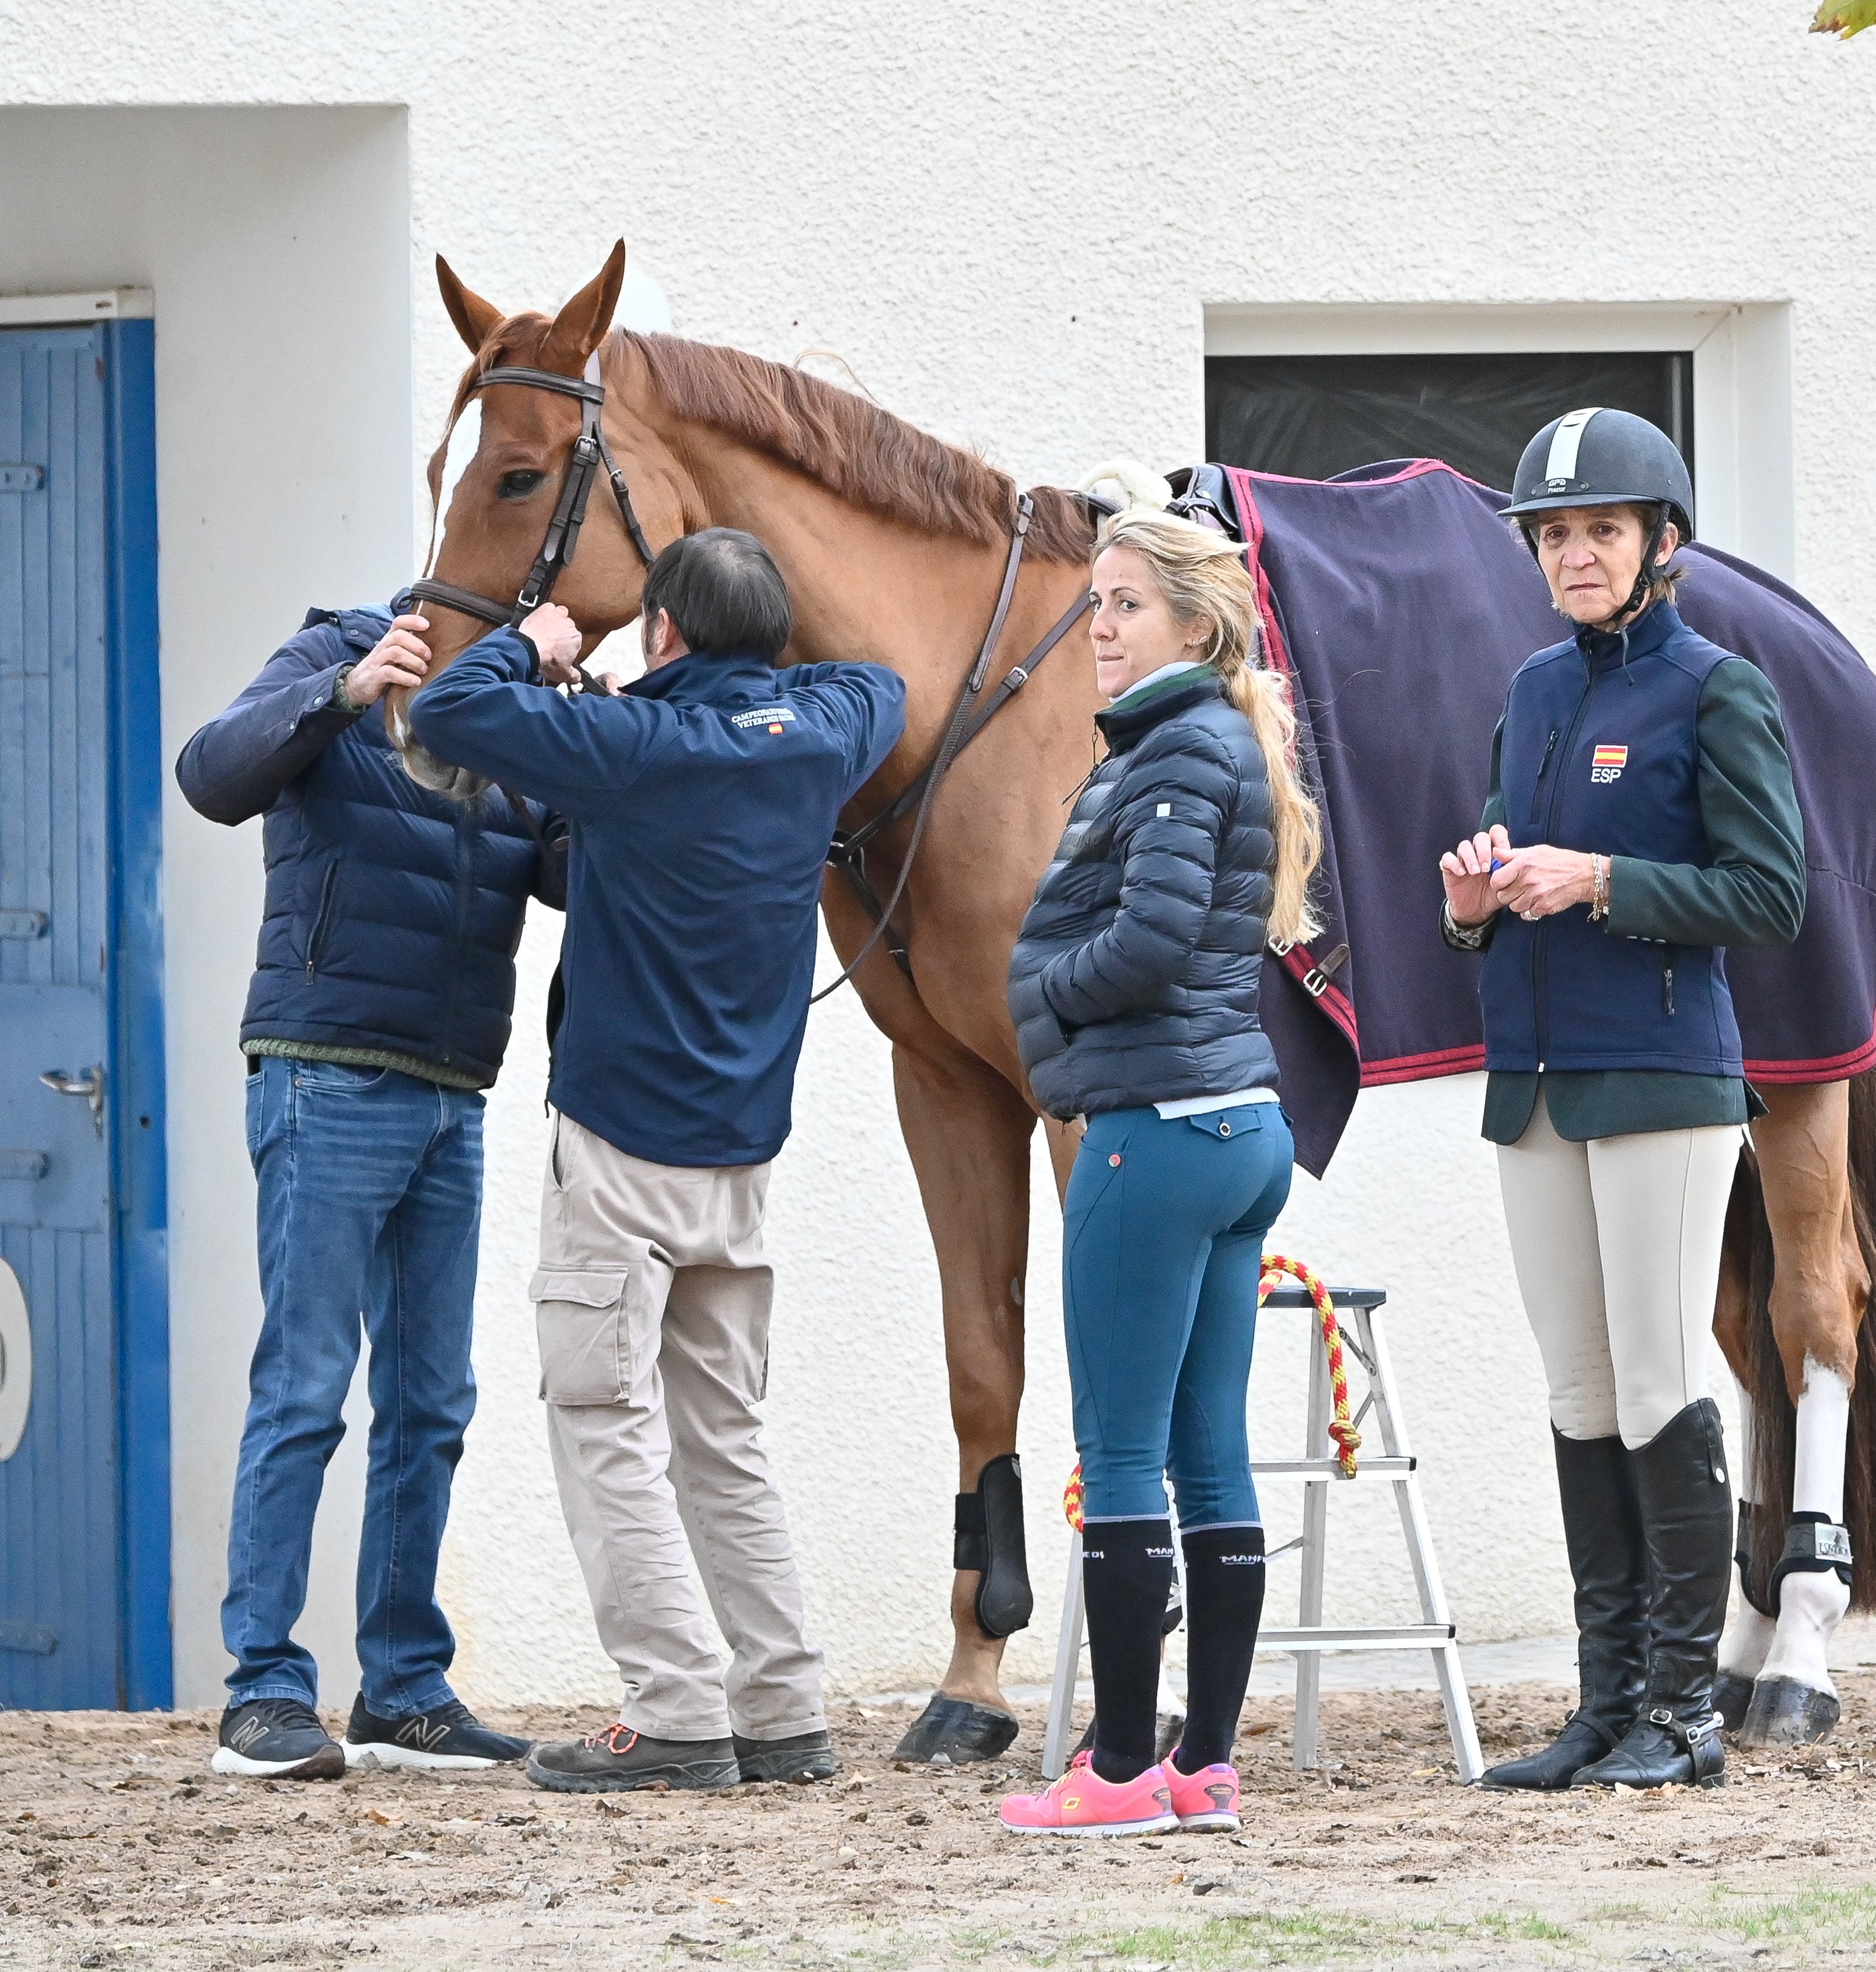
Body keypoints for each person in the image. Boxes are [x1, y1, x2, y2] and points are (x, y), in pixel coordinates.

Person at [410, 528, 906, 1793]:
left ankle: (678, 1709)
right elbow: (879, 681)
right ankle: (781, 1706)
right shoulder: (819, 735)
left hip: (622, 1144)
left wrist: (543, 642)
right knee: (722, 1434)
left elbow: (458, 706)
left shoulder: (632, 748)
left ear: (666, 633)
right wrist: (748, 679)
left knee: (601, 1425)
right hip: (742, 1158)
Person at [1439, 408, 1807, 1792]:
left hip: (1659, 1076)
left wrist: (1601, 882)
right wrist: (1472, 905)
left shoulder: (1716, 689)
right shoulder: (1532, 689)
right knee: (1579, 1389)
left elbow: (1770, 896)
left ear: (1662, 542)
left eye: (1598, 529)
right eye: (1552, 534)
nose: (1572, 553)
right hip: (1532, 1079)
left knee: (1656, 1379)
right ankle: (1604, 1708)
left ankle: (1685, 1712)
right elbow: (1496, 892)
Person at [177, 595, 579, 1779]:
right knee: (304, 1386)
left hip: (453, 1088)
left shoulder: (509, 710)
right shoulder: (332, 647)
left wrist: (582, 732)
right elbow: (213, 772)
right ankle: (262, 1688)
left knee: (430, 1402)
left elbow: (565, 871)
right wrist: (345, 690)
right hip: (326, 1075)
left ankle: (402, 1688)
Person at [997, 510, 1321, 1837]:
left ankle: (1122, 1769)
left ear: (1197, 625)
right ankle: (1203, 1766)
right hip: (1236, 1131)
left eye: (1127, 603)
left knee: (1121, 1451)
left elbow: (1146, 940)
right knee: (1206, 1455)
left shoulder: (1180, 747)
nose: (1103, 627)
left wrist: (1038, 989)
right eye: (1097, 603)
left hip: (1158, 1127)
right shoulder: (1207, 738)